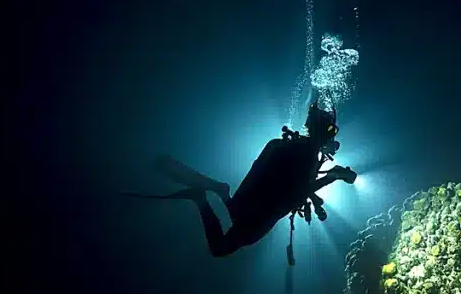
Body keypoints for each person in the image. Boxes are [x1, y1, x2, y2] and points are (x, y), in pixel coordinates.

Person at [125, 101, 356, 259]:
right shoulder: (306, 155)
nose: (333, 138)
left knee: (231, 227)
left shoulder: (293, 146)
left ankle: (218, 192)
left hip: (249, 202)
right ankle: (203, 198)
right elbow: (299, 191)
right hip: (264, 211)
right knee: (221, 248)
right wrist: (333, 177)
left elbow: (286, 181)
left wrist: (327, 180)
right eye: (332, 132)